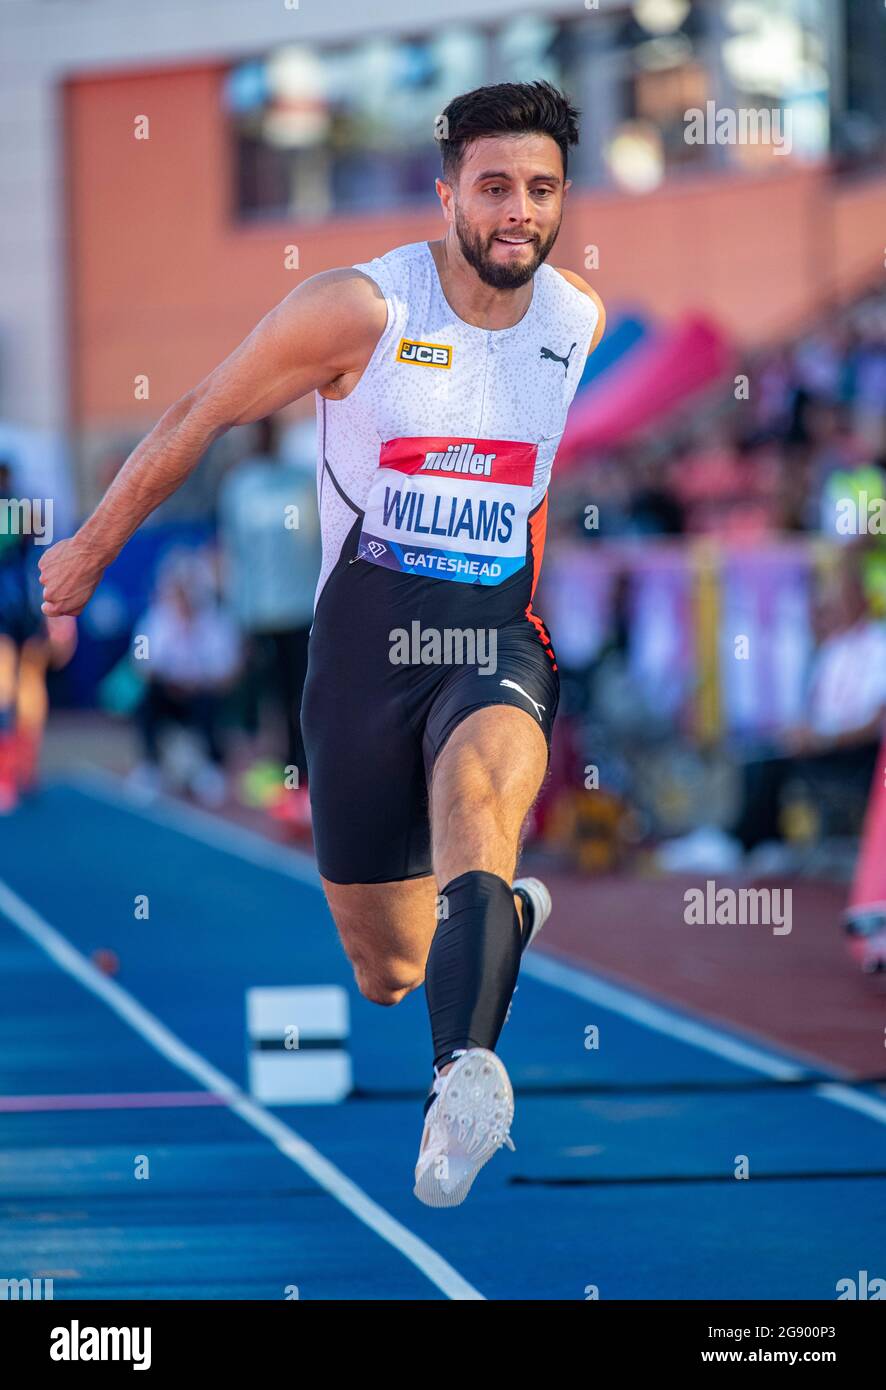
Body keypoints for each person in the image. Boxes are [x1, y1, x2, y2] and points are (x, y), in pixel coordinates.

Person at [38, 80, 606, 1206]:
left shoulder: (574, 319)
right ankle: (497, 924)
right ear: (447, 193)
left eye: (539, 190)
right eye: (494, 187)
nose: (517, 213)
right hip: (360, 651)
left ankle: (462, 1085)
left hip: (493, 637)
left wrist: (527, 593)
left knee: (482, 814)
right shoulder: (359, 311)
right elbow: (198, 409)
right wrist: (94, 548)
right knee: (387, 969)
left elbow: (533, 482)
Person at [217, 414, 320, 826]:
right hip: (260, 614)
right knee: (267, 703)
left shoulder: (301, 480)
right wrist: (236, 615)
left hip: (301, 612)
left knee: (303, 700)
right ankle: (281, 778)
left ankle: (306, 782)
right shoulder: (239, 485)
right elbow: (233, 552)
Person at [131, 549, 241, 807]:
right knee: (146, 699)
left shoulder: (217, 622)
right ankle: (151, 767)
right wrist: (170, 678)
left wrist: (199, 682)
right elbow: (142, 668)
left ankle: (210, 768)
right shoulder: (157, 620)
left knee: (208, 702)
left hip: (202, 695)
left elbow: (229, 674)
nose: (183, 596)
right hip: (167, 694)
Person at [0, 460, 75, 811]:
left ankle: (17, 769)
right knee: (14, 685)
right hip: (22, 607)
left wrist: (58, 620)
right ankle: (16, 769)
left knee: (20, 684)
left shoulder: (26, 510)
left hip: (21, 609)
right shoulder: (28, 509)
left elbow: (43, 559)